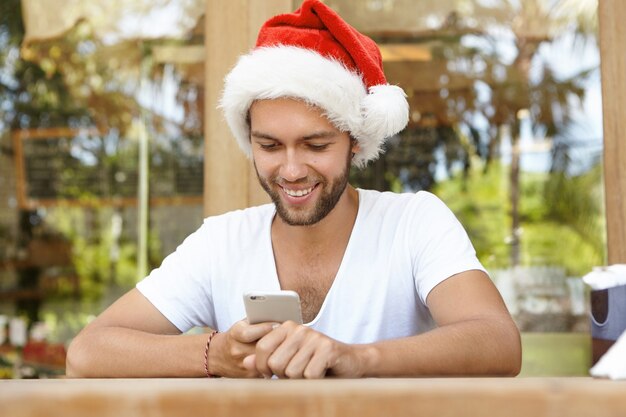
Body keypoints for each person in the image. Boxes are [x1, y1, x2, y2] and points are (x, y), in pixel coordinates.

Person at [66, 0, 521, 379]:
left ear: (354, 142)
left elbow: (498, 342)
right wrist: (214, 354)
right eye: (269, 145)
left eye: (315, 144)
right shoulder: (221, 241)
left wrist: (359, 358)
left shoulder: (413, 222)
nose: (291, 169)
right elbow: (86, 352)